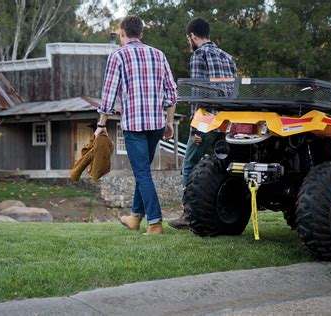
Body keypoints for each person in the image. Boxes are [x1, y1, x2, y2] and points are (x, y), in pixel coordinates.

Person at [95, 15, 177, 235]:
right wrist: (169, 121)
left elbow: (109, 94)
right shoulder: (158, 55)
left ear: (123, 34)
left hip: (134, 125)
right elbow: (172, 92)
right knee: (144, 171)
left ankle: (155, 223)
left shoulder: (118, 56)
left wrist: (101, 125)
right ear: (141, 34)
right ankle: (134, 217)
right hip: (156, 124)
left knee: (142, 173)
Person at [168, 17, 237, 229]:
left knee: (189, 165)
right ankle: (223, 210)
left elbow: (197, 90)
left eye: (188, 38)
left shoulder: (200, 54)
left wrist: (194, 124)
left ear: (192, 36)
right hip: (228, 121)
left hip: (206, 119)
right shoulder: (228, 57)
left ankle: (188, 214)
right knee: (221, 165)